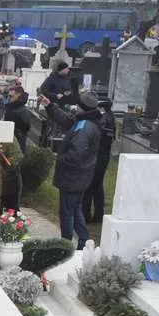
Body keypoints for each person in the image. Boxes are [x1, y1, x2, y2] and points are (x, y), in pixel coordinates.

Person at [39, 90, 102, 249]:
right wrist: (50, 106)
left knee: (67, 212)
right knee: (75, 209)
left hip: (73, 175)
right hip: (81, 175)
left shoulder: (84, 128)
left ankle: (65, 245)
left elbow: (76, 154)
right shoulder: (86, 121)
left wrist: (59, 158)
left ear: (81, 107)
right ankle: (84, 241)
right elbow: (67, 121)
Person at [83, 99, 116, 223]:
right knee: (97, 185)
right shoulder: (111, 117)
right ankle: (98, 214)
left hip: (97, 155)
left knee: (89, 186)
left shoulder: (103, 119)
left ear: (101, 108)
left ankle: (86, 214)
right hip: (104, 155)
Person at [3, 85, 31, 152]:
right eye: (7, 96)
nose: (8, 99)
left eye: (11, 96)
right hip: (15, 146)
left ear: (18, 95)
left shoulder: (17, 111)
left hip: (15, 147)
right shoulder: (18, 108)